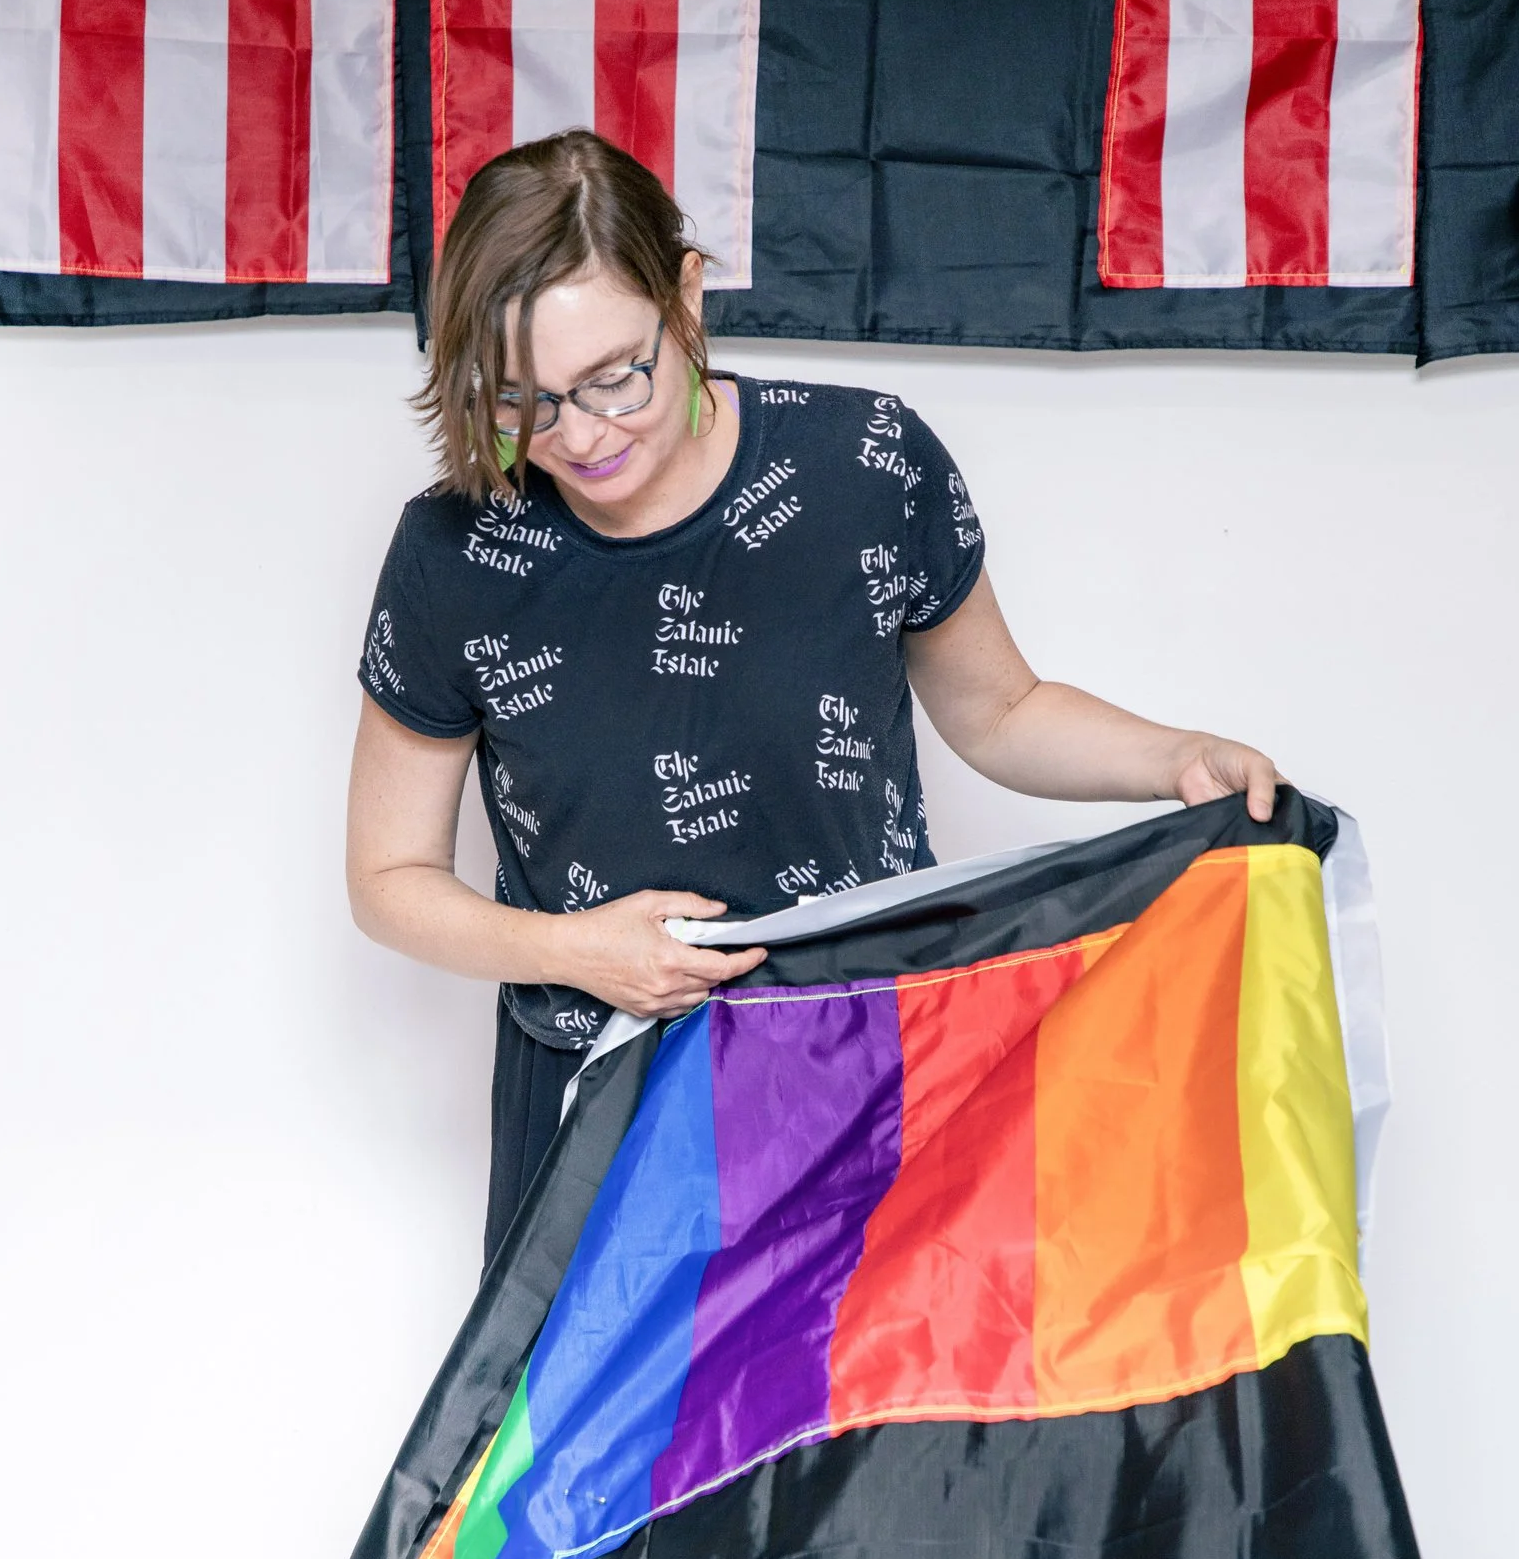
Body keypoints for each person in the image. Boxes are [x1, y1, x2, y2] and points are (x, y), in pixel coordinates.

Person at [347, 131, 1282, 1265]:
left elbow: (999, 711)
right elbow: (390, 880)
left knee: (869, 1434)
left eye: (614, 377)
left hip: (863, 1063)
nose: (578, 436)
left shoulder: (867, 465)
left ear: (686, 298)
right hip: (595, 1095)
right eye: (523, 400)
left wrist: (1176, 756)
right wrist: (577, 950)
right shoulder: (455, 552)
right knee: (598, 1445)